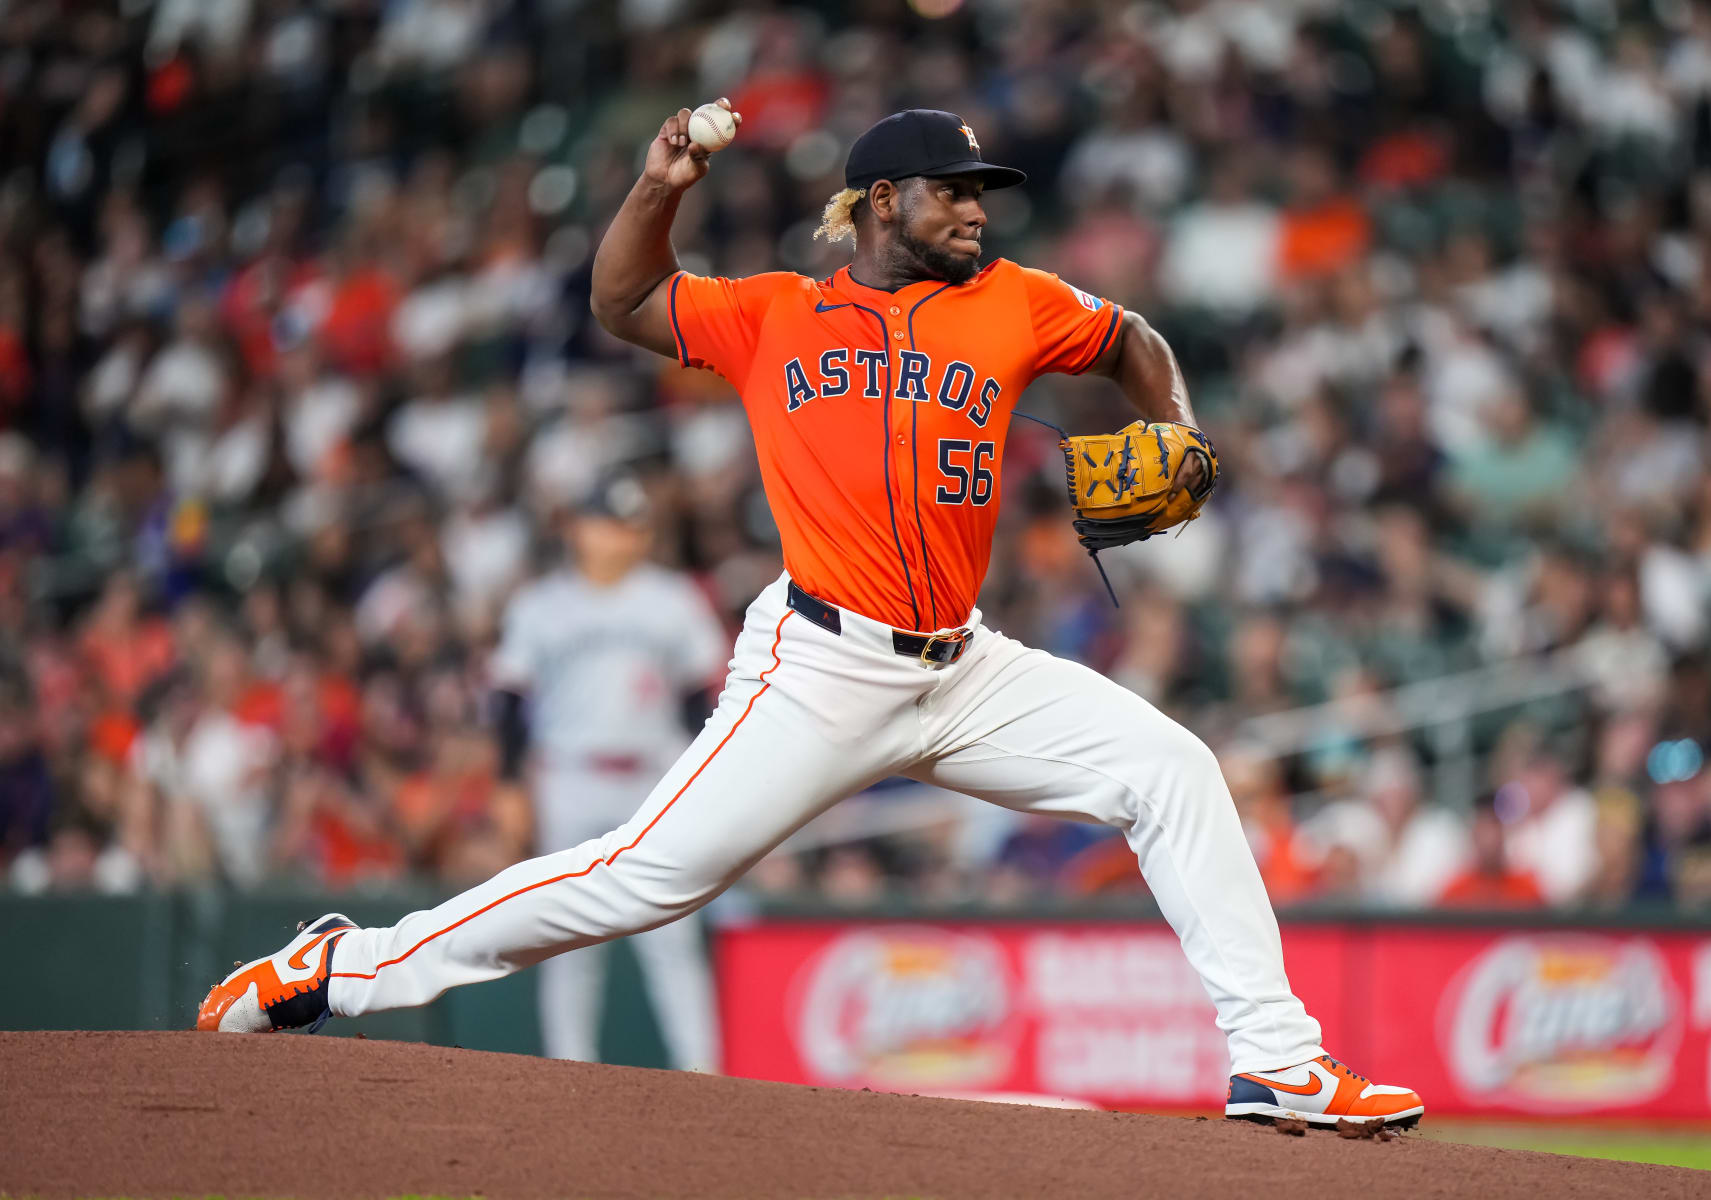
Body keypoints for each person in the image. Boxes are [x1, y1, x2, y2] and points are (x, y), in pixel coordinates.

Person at [196, 105, 1422, 1129]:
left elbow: (1134, 339)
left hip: (967, 666)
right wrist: (656, 185)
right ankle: (342, 966)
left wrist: (1179, 425)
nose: (978, 210)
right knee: (642, 877)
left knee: (1174, 769)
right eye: (953, 192)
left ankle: (1277, 1060)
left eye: (982, 192)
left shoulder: (1015, 301)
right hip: (819, 667)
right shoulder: (776, 311)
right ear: (884, 200)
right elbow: (624, 301)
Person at [489, 472, 725, 1069]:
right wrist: (509, 782)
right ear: (578, 529)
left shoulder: (672, 598)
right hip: (569, 775)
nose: (621, 537)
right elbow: (509, 702)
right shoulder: (540, 605)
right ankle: (569, 1070)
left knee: (671, 931)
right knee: (567, 933)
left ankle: (703, 1072)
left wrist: (710, 781)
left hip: (655, 774)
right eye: (609, 523)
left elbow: (705, 698)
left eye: (632, 526)